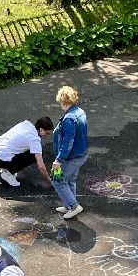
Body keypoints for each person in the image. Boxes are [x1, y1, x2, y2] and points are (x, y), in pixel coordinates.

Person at [50, 85, 89, 220]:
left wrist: (58, 160)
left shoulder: (69, 119)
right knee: (70, 180)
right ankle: (69, 205)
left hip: (71, 157)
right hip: (81, 153)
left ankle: (73, 206)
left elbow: (67, 143)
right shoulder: (80, 112)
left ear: (63, 101)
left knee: (57, 180)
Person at [0, 117, 56, 188]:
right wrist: (49, 180)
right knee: (33, 156)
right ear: (40, 129)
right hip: (0, 159)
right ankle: (8, 173)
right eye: (46, 133)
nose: (47, 136)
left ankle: (6, 168)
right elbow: (41, 166)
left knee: (30, 151)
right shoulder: (34, 139)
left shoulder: (26, 124)